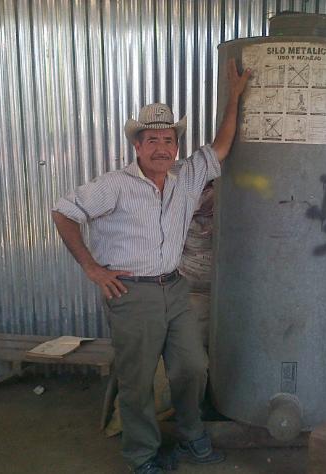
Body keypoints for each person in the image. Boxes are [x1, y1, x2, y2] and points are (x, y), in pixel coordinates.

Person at [52, 59, 250, 474]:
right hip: (131, 293)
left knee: (192, 366)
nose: (162, 148)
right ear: (137, 146)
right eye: (153, 140)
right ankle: (142, 456)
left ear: (176, 146)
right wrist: (92, 268)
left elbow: (221, 145)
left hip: (174, 288)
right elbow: (63, 212)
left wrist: (234, 96)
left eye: (169, 140)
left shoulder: (188, 177)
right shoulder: (115, 185)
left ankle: (191, 434)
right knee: (138, 380)